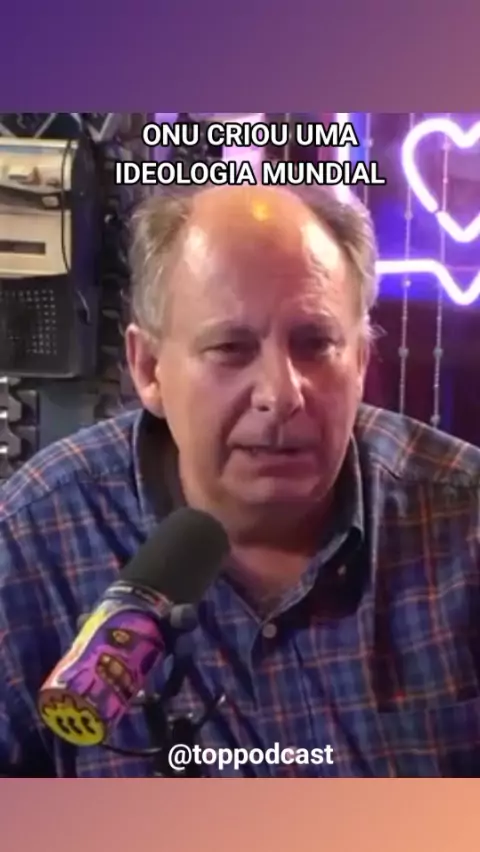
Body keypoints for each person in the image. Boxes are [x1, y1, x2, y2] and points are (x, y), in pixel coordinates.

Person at [1, 184, 480, 778]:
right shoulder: (33, 540)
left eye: (316, 344)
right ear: (149, 369)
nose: (281, 395)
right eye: (231, 347)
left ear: (359, 362)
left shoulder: (464, 521)